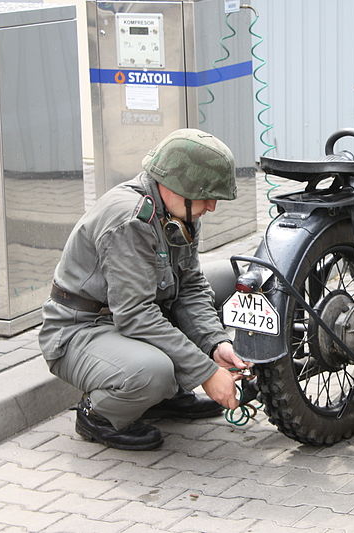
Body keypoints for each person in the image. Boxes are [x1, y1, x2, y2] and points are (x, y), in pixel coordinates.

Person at [39, 128, 250, 450]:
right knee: (151, 372)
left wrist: (215, 343)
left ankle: (166, 399)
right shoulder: (131, 219)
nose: (212, 207)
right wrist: (207, 373)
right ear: (179, 186)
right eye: (207, 196)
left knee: (224, 279)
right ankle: (100, 416)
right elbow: (136, 315)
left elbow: (191, 287)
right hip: (81, 330)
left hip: (129, 317)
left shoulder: (180, 210)